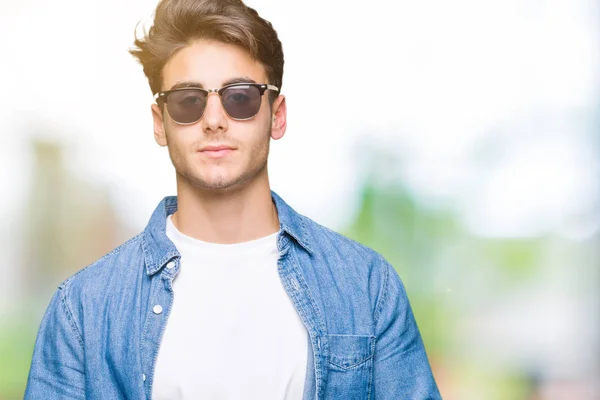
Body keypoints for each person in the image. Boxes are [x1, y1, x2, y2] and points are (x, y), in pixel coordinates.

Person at [24, 0, 441, 398]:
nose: (213, 120)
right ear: (160, 123)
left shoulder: (365, 286)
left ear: (276, 115)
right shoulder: (84, 308)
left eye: (239, 96)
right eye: (188, 101)